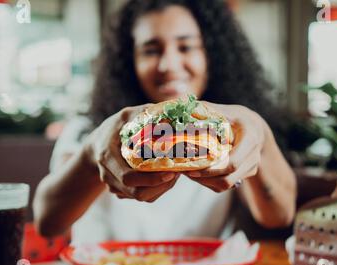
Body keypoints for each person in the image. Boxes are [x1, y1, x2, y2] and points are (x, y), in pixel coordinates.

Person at [33, 0, 297, 244]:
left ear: (212, 56)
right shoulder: (87, 129)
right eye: (151, 50)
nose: (168, 64)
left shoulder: (229, 136)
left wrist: (259, 131)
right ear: (129, 62)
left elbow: (279, 216)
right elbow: (48, 222)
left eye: (186, 47)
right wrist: (92, 154)